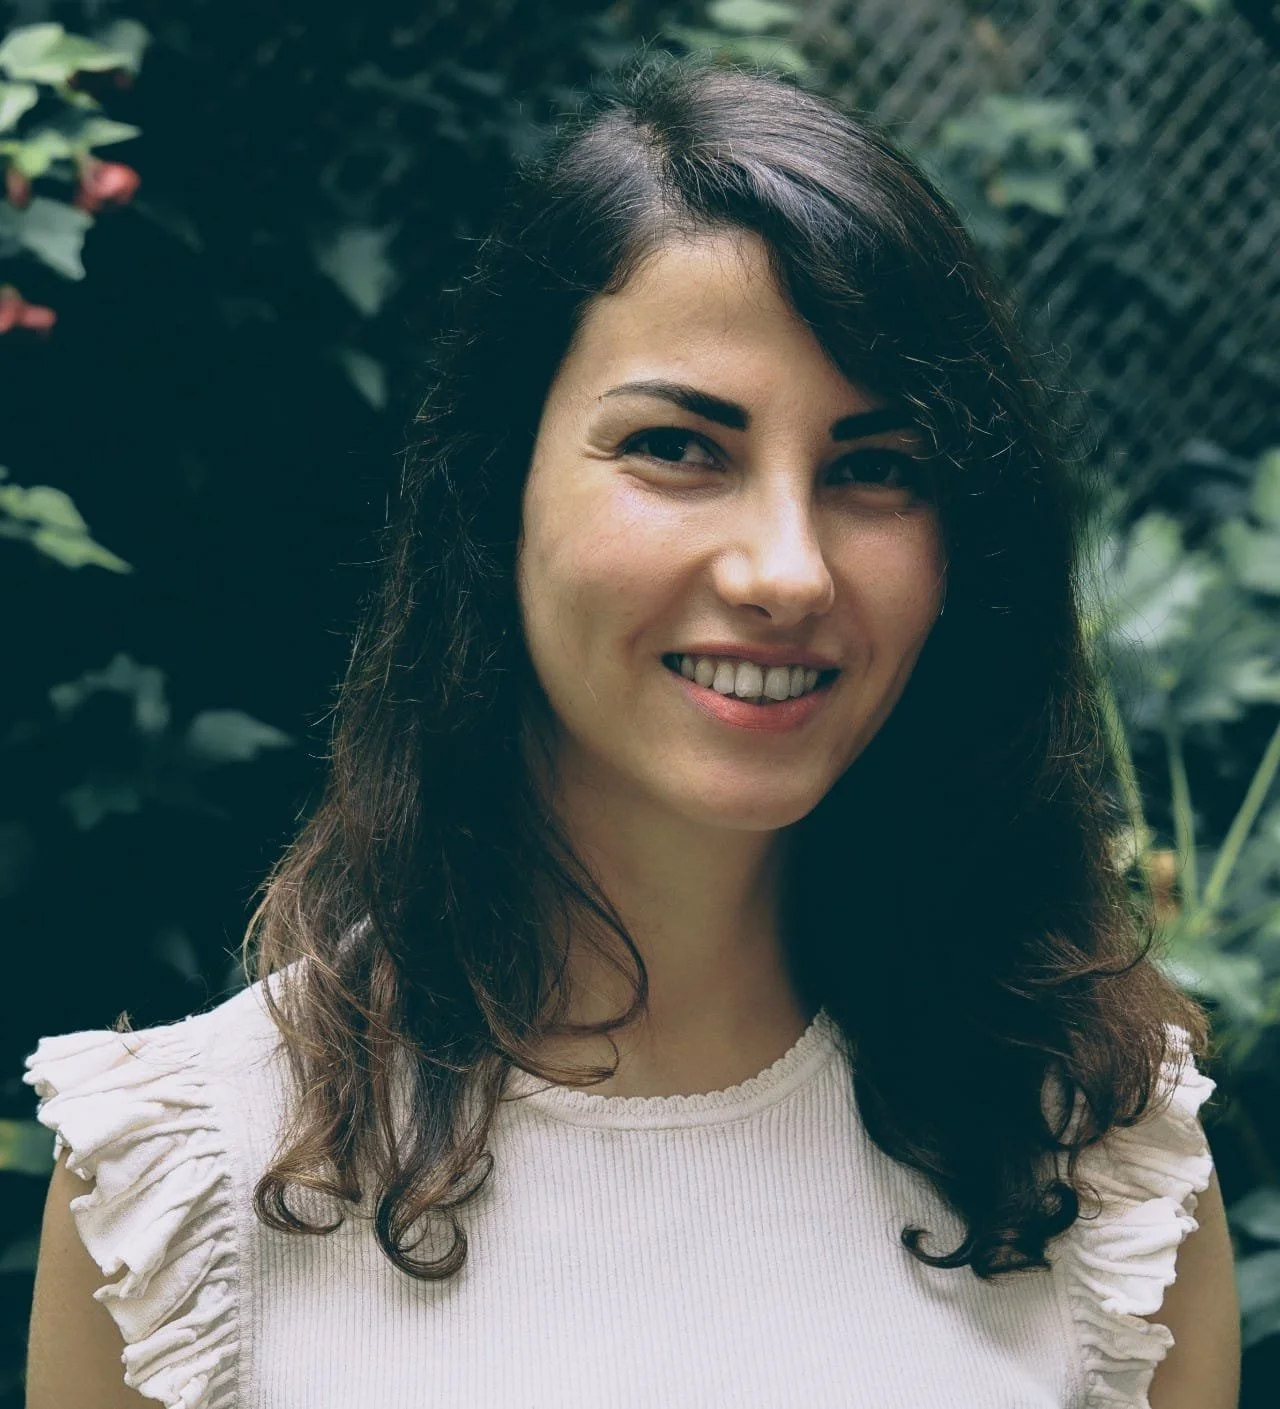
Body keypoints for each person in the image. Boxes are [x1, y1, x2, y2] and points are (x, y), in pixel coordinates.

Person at [23, 55, 1239, 1409]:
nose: (788, 572)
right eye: (677, 447)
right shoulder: (185, 1192)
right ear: (498, 491)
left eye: (876, 469)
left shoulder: (1106, 1177)